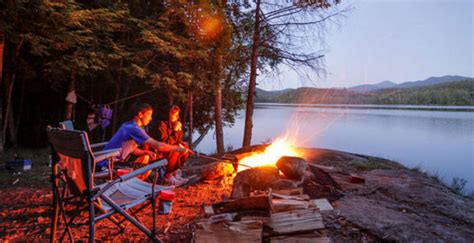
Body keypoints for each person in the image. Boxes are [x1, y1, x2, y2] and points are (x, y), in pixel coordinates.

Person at [96, 103, 193, 184]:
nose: (150, 118)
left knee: (145, 158)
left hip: (106, 161)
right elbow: (158, 145)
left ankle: (129, 186)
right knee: (148, 169)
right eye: (149, 115)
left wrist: (144, 152)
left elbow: (131, 148)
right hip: (107, 165)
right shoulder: (134, 128)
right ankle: (128, 188)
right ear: (140, 114)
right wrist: (178, 149)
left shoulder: (128, 125)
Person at [152, 105, 191, 185]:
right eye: (174, 114)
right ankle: (168, 176)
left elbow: (178, 140)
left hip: (170, 147)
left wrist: (178, 131)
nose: (177, 117)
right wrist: (175, 130)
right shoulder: (161, 124)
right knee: (174, 150)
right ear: (168, 114)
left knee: (185, 149)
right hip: (160, 150)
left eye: (177, 114)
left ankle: (174, 173)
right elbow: (165, 142)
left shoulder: (175, 124)